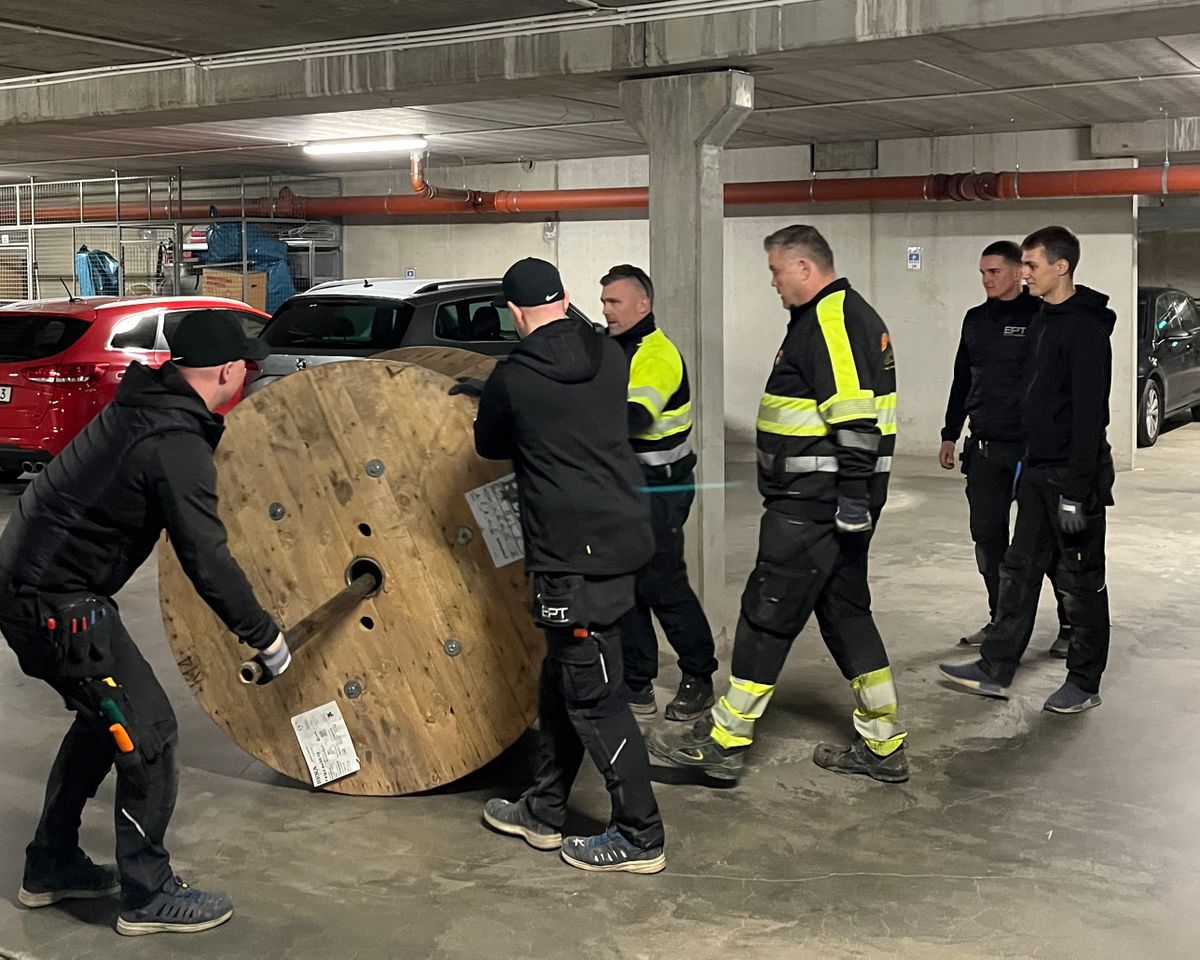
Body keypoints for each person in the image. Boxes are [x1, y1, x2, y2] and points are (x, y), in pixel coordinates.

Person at [0, 312, 290, 936]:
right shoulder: (173, 440)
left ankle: (51, 866)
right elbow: (204, 557)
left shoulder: (146, 404)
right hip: (57, 604)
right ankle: (148, 893)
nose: (249, 370)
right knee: (150, 734)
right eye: (246, 363)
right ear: (224, 372)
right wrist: (262, 632)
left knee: (108, 723)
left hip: (37, 588)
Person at [649, 224, 908, 784]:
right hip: (831, 503)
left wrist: (854, 501)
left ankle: (725, 740)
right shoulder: (835, 317)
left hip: (814, 504)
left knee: (767, 612)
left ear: (806, 269)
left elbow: (855, 415)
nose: (773, 283)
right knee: (845, 614)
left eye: (776, 271)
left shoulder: (834, 317)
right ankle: (884, 745)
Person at [473, 257, 665, 874]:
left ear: (515, 311)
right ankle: (545, 808)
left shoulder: (515, 376)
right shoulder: (611, 353)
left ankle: (640, 835)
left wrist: (490, 398)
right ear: (565, 298)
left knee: (593, 698)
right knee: (563, 674)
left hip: (570, 558)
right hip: (622, 539)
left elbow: (491, 444)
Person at [940, 226, 1114, 713]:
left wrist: (1079, 490)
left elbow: (1088, 416)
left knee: (1081, 580)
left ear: (1061, 267)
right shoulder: (1043, 321)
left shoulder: (1084, 328)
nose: (1025, 274)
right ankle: (996, 666)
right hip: (1036, 470)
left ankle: (1084, 682)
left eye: (1032, 265)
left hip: (1072, 478)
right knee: (1017, 570)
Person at [939, 241, 1072, 656]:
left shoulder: (1040, 317)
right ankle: (1000, 620)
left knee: (1041, 543)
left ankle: (1071, 625)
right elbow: (963, 377)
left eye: (994, 271)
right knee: (987, 537)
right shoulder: (975, 320)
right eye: (982, 272)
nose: (987, 279)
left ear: (1017, 273)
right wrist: (950, 431)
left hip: (1029, 450)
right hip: (983, 447)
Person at [599, 263, 718, 721]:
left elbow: (636, 418)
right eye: (604, 301)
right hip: (630, 487)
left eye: (614, 302)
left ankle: (698, 675)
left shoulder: (656, 353)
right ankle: (637, 683)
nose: (606, 309)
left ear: (642, 305)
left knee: (663, 583)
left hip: (661, 487)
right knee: (626, 585)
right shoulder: (616, 347)